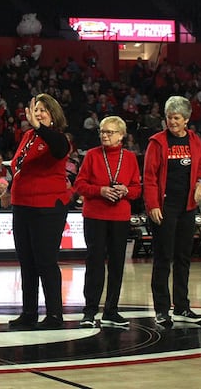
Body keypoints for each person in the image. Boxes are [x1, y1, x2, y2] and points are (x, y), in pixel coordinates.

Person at [8, 94, 71, 330]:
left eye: (44, 110)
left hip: (47, 207)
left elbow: (59, 147)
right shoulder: (28, 136)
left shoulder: (58, 139)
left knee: (45, 261)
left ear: (54, 115)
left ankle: (55, 314)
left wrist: (39, 127)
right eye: (36, 110)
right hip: (22, 204)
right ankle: (29, 312)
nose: (39, 114)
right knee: (27, 262)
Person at [143, 95, 201, 326]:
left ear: (187, 119)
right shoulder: (157, 142)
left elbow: (200, 168)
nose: (172, 122)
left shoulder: (195, 140)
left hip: (187, 206)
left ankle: (182, 307)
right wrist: (153, 205)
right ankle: (161, 309)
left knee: (183, 258)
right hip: (165, 207)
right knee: (163, 258)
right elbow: (148, 177)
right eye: (169, 117)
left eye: (177, 118)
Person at [74, 116, 142, 327]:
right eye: (102, 131)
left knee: (117, 264)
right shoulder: (93, 155)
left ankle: (111, 310)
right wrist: (100, 190)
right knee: (94, 263)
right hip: (95, 215)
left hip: (119, 217)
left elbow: (138, 189)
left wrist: (126, 190)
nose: (104, 135)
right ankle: (90, 310)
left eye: (109, 132)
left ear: (121, 135)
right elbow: (79, 184)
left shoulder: (130, 157)